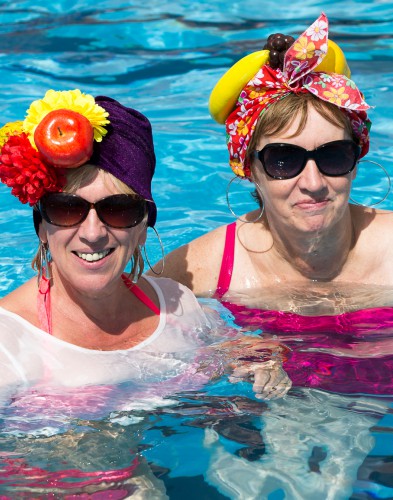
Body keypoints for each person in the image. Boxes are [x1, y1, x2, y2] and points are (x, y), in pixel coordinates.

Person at [150, 14, 393, 498]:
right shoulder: (201, 271)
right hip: (294, 404)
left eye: (333, 156)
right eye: (284, 161)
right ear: (248, 168)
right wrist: (218, 352)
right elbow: (131, 350)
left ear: (357, 156)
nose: (313, 183)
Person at [0, 89, 290, 496]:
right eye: (68, 209)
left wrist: (259, 363)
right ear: (41, 227)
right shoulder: (8, 347)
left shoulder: (178, 307)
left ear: (142, 226)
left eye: (118, 210)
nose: (93, 232)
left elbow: (235, 356)